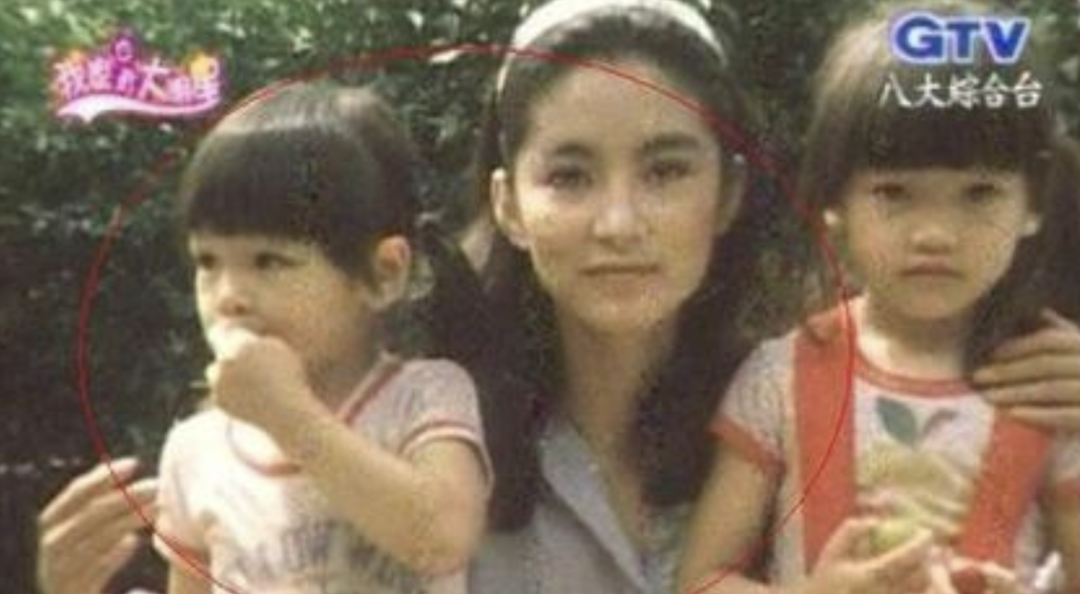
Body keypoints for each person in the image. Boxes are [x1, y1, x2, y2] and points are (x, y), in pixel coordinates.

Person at [677, 2, 1080, 593]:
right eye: (893, 192)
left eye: (979, 193)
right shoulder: (780, 376)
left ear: (1034, 204)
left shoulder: (1051, 388)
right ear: (833, 201)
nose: (935, 233)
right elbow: (701, 580)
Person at [153, 82, 491, 594]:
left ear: (383, 274)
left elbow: (443, 540)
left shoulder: (424, 399)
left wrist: (289, 418)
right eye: (208, 261)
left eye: (269, 261)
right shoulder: (194, 452)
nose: (228, 296)